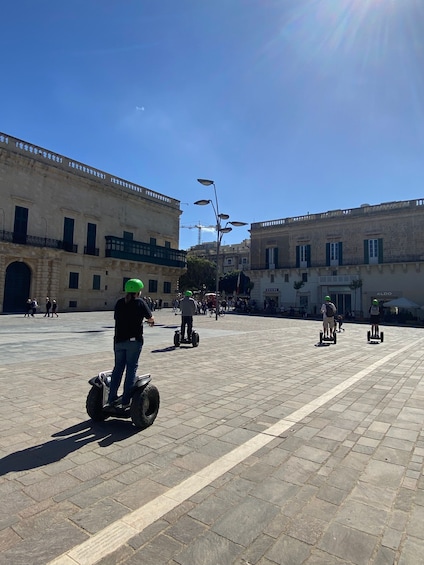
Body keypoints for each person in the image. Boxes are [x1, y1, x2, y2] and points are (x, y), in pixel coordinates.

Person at [106, 279, 154, 409]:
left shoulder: (120, 303)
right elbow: (150, 318)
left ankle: (111, 398)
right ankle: (126, 400)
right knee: (131, 369)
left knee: (118, 369)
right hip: (134, 341)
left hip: (119, 341)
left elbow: (117, 318)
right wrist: (150, 321)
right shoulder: (140, 302)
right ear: (138, 291)